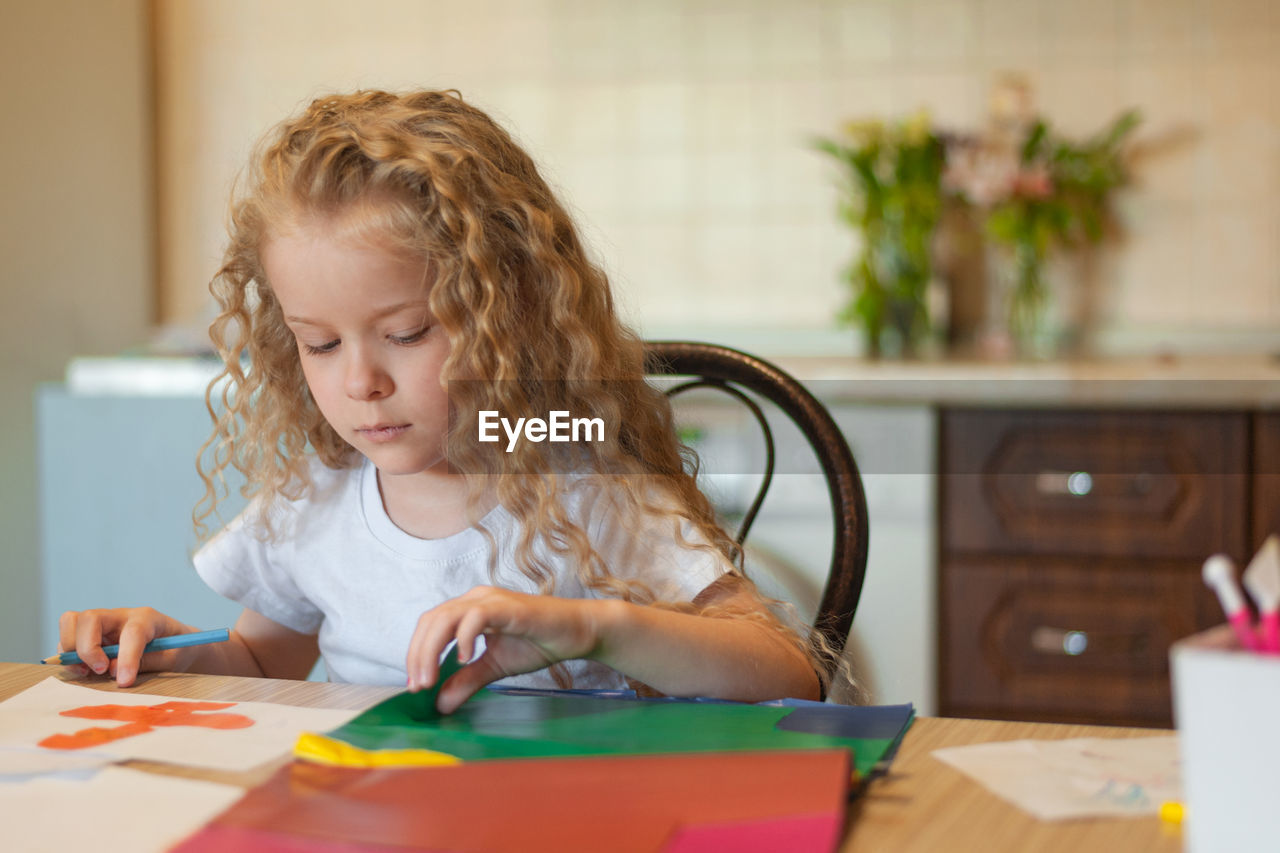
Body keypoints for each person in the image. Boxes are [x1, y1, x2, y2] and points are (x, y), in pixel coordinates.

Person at [57, 90, 824, 712]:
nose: (361, 382)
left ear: (509, 311)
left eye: (407, 331)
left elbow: (788, 669)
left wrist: (595, 628)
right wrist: (161, 651)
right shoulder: (314, 498)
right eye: (319, 344)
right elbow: (263, 660)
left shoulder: (580, 484)